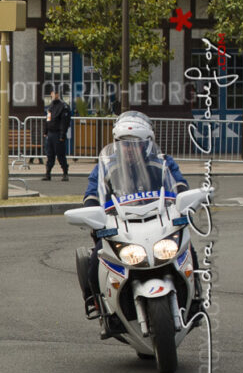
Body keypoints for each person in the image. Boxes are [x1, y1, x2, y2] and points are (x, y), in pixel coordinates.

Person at [78, 111, 192, 328]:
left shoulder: (163, 162)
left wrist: (184, 201)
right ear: (116, 142)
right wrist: (92, 212)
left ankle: (196, 299)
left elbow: (179, 185)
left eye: (135, 143)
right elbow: (93, 192)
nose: (129, 148)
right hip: (121, 225)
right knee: (96, 259)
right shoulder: (106, 165)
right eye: (124, 143)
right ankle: (97, 303)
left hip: (159, 222)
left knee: (186, 248)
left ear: (147, 143)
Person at [42, 88, 71, 182]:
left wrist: (62, 135)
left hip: (58, 134)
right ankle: (48, 173)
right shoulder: (50, 106)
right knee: (49, 154)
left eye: (56, 93)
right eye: (53, 93)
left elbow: (64, 122)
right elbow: (48, 119)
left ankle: (65, 173)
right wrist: (45, 131)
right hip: (50, 134)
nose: (55, 95)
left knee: (60, 155)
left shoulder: (63, 106)